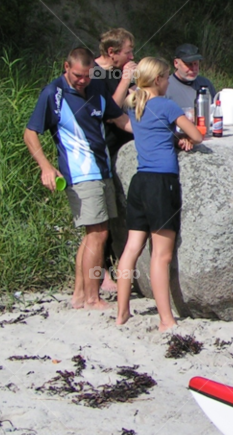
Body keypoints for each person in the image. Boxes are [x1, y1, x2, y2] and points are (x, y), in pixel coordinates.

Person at [24, 47, 133, 310]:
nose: (82, 80)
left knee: (92, 234)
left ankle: (79, 294)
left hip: (103, 168)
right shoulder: (53, 93)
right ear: (66, 67)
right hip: (80, 173)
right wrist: (46, 167)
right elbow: (30, 133)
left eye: (86, 75)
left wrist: (153, 132)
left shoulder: (96, 87)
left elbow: (119, 119)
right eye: (77, 75)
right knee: (98, 233)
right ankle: (92, 297)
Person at [116, 57, 202, 332]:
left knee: (131, 249)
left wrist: (175, 137)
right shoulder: (167, 105)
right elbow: (198, 136)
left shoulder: (135, 105)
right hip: (161, 181)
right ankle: (166, 319)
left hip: (139, 181)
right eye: (166, 78)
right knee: (161, 255)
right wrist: (183, 135)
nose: (168, 82)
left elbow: (155, 132)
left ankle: (122, 312)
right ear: (158, 80)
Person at [86, 28, 138, 293]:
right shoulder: (94, 74)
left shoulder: (118, 71)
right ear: (111, 52)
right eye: (128, 50)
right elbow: (111, 111)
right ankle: (102, 274)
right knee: (101, 216)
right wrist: (125, 80)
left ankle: (119, 268)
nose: (132, 55)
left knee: (117, 207)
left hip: (123, 142)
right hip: (102, 145)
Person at [166, 43, 217, 111]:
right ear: (176, 63)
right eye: (189, 64)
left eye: (196, 64)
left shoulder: (205, 83)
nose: (193, 68)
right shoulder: (165, 86)